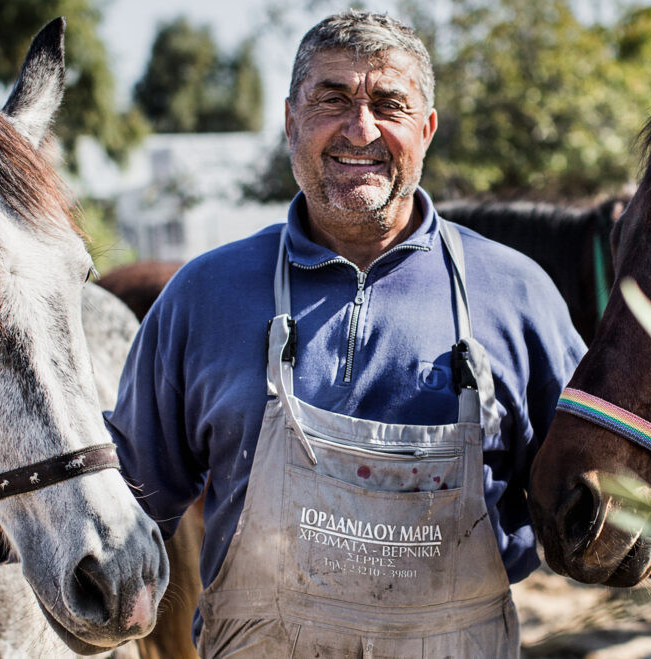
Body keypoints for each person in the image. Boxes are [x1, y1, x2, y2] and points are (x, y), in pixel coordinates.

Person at [106, 10, 584, 657]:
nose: (361, 129)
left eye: (389, 104)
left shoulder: (515, 294)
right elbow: (126, 498)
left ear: (427, 128)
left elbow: (605, 501)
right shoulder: (204, 296)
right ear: (290, 122)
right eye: (332, 100)